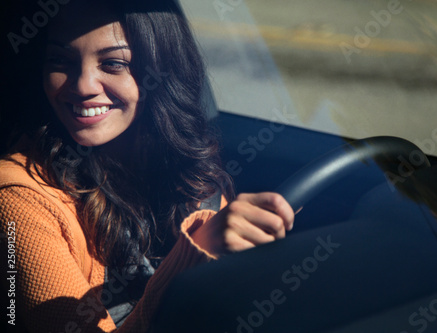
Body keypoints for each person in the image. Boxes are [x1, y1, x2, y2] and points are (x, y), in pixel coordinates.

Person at [0, 0, 294, 332]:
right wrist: (198, 253)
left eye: (112, 64)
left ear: (160, 69)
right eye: (59, 61)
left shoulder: (182, 163)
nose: (83, 86)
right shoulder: (18, 199)